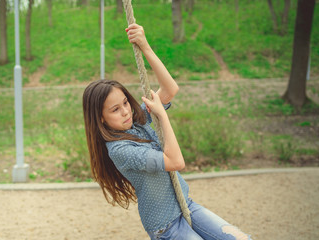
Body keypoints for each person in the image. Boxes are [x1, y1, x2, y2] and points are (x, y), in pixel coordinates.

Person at [82, 23, 252, 240]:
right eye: (116, 109)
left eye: (125, 102)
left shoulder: (136, 122)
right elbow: (175, 162)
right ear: (100, 119)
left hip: (187, 207)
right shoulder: (120, 150)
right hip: (166, 226)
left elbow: (170, 89)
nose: (126, 111)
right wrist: (162, 116)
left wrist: (145, 47)